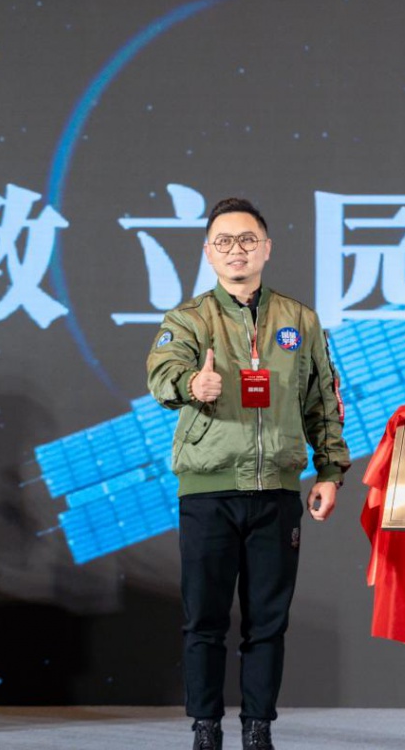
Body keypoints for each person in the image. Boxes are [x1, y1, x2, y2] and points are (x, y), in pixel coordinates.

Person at [147, 197, 350, 750]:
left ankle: (258, 728)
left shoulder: (299, 320)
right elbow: (161, 372)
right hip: (208, 491)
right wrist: (192, 384)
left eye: (247, 240)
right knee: (205, 619)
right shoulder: (188, 319)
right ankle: (206, 727)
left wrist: (329, 470)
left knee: (268, 621)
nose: (236, 250)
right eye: (224, 241)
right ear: (208, 252)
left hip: (276, 493)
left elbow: (323, 401)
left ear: (266, 248)